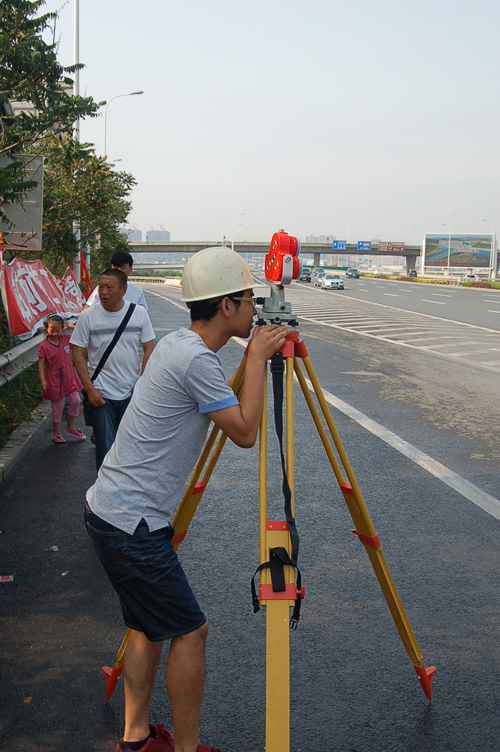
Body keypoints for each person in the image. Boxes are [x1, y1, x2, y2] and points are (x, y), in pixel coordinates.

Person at [84, 247, 289, 752]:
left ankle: (135, 739)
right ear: (225, 306)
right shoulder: (196, 359)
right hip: (131, 523)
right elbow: (244, 432)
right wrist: (257, 358)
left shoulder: (179, 342)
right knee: (191, 632)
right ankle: (187, 748)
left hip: (111, 511)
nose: (255, 310)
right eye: (248, 300)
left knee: (146, 627)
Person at [71, 269, 155, 469]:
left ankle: (125, 494)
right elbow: (78, 355)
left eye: (110, 287)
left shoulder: (138, 314)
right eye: (101, 286)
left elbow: (149, 348)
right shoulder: (88, 317)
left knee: (129, 448)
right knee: (106, 448)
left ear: (124, 290)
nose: (103, 291)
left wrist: (141, 382)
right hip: (102, 396)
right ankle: (103, 496)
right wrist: (90, 389)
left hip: (130, 394)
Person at [37, 314, 86, 444]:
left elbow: (81, 334)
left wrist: (71, 326)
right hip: (53, 379)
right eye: (51, 330)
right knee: (57, 406)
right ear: (46, 329)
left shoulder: (66, 340)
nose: (54, 333)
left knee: (75, 400)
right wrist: (43, 380)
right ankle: (56, 433)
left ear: (62, 329)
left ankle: (70, 427)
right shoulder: (44, 346)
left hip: (69, 376)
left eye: (57, 331)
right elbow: (41, 363)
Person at [83, 250, 149, 310]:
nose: (119, 271)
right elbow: (86, 311)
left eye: (122, 268)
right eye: (116, 267)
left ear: (130, 269)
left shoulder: (137, 292)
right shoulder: (101, 290)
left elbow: (143, 316)